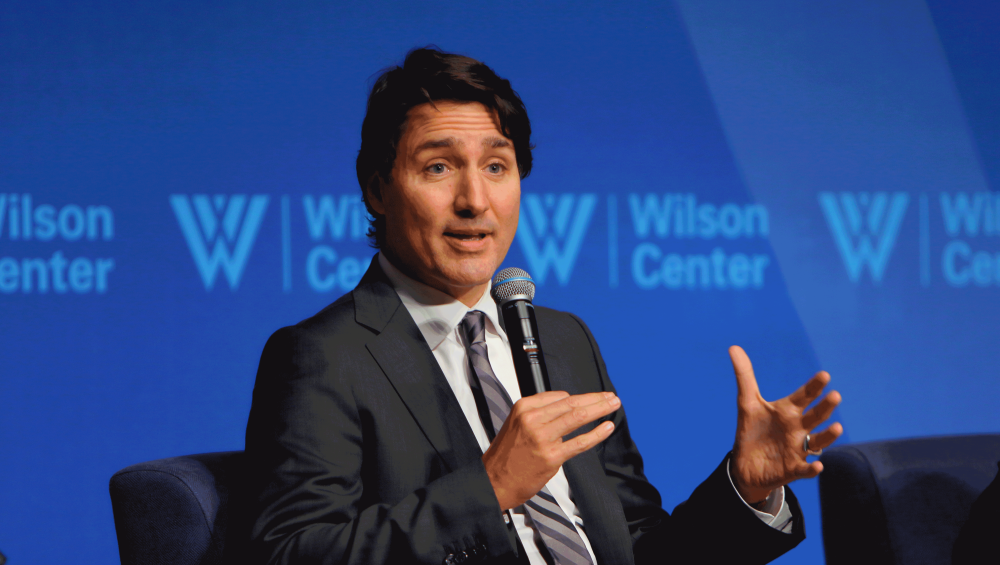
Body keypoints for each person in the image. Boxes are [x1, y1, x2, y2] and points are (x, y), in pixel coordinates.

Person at [244, 47, 844, 565]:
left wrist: (744, 489)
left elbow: (635, 546)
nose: (475, 200)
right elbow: (294, 552)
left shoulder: (560, 339)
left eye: (497, 167)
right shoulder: (325, 356)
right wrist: (490, 487)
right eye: (438, 167)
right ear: (377, 187)